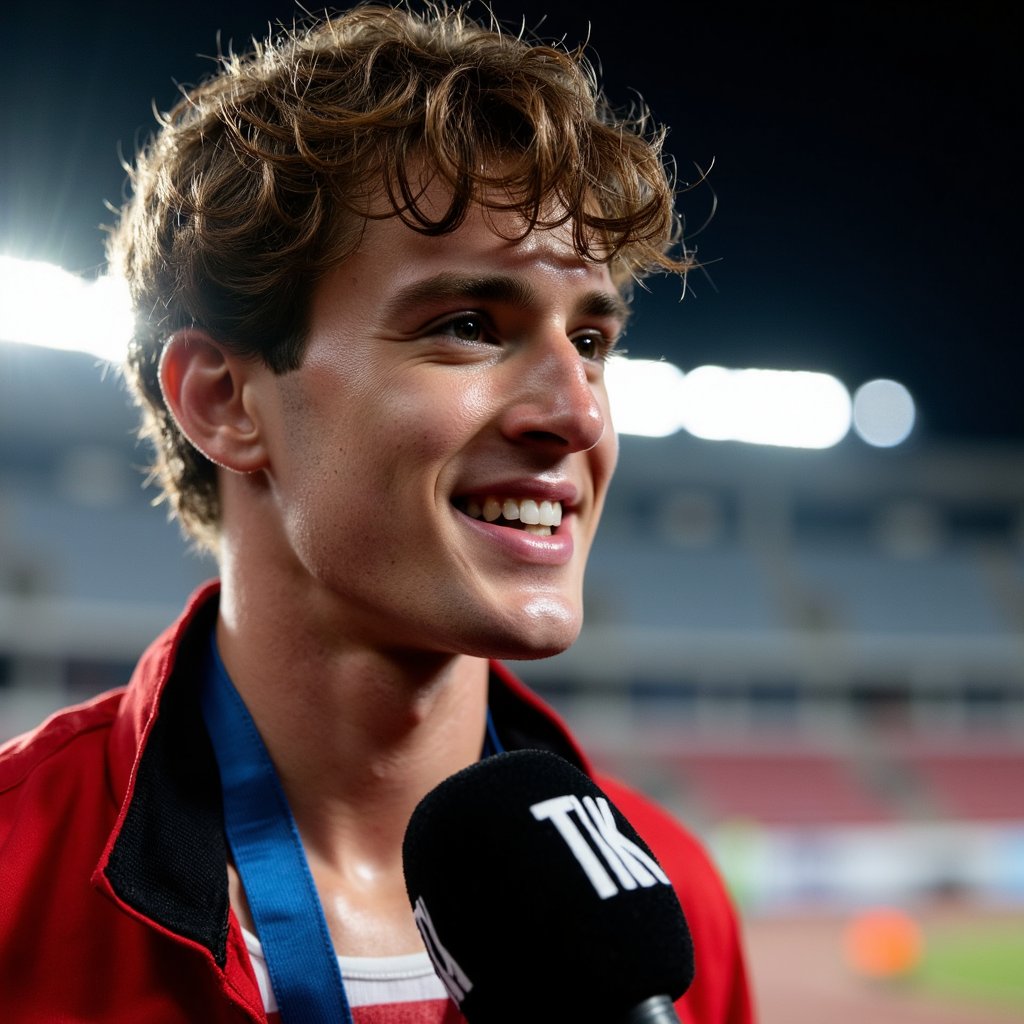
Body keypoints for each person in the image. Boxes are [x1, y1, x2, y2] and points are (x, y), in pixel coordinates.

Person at [0, 5, 754, 1022]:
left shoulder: (674, 907)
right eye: (467, 326)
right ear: (225, 401)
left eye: (591, 341)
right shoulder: (14, 875)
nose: (578, 412)